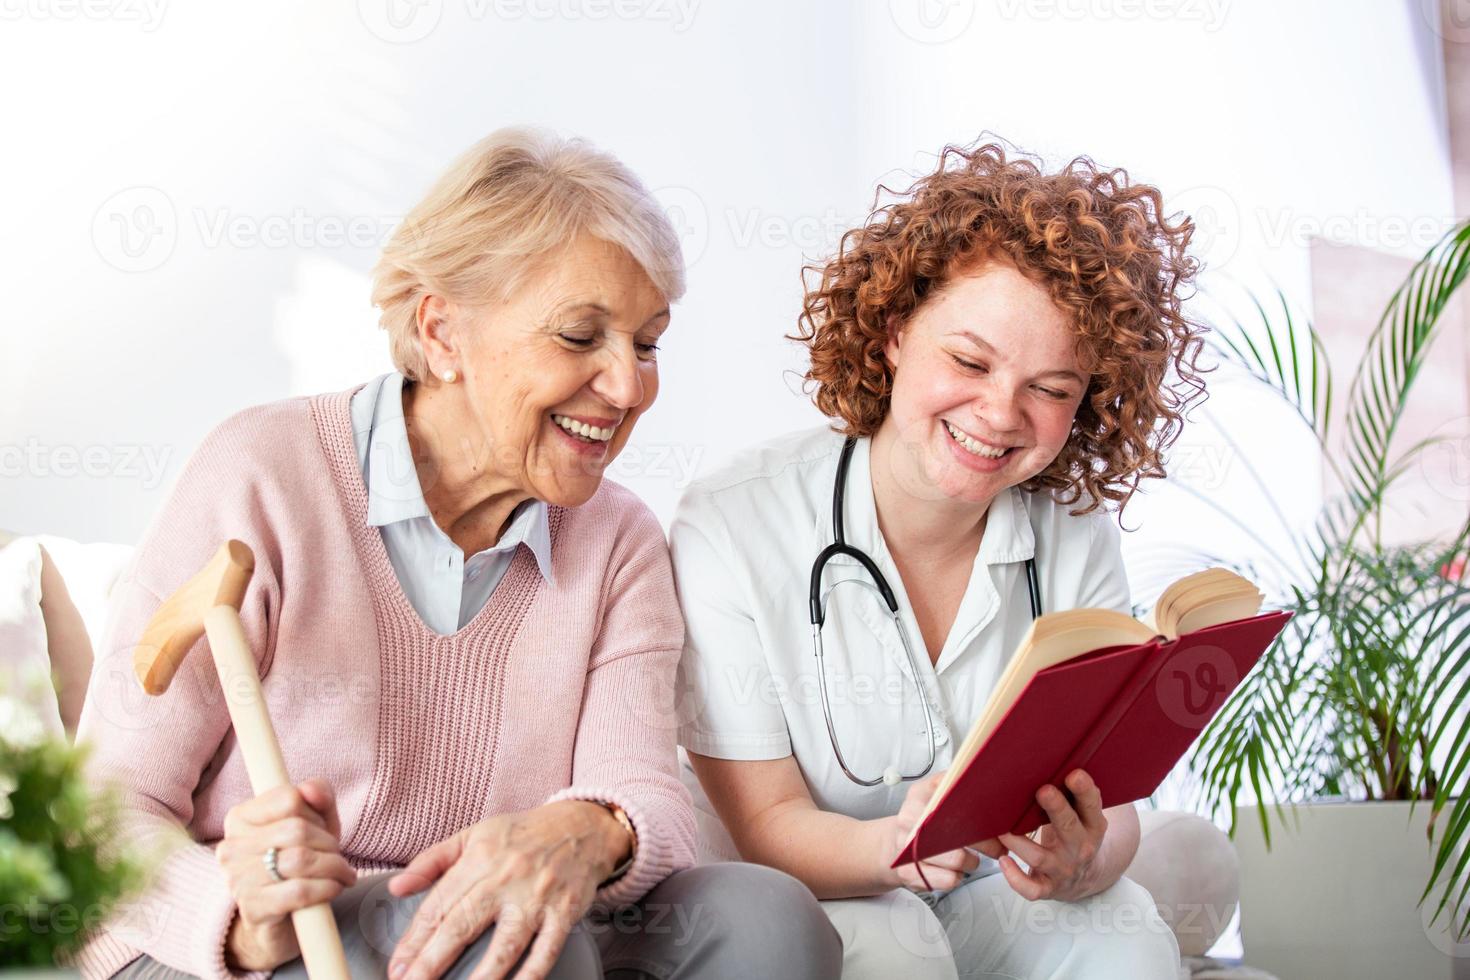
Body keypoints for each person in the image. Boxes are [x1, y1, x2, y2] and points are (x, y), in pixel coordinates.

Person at [73, 127, 841, 980]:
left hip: (489, 922)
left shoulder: (619, 541)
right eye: (582, 336)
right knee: (512, 952)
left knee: (769, 921)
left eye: (648, 342)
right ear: (442, 333)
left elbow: (643, 795)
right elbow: (101, 814)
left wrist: (589, 826)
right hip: (254, 944)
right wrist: (244, 922)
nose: (629, 388)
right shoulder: (261, 474)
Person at [671, 139, 1206, 979]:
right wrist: (896, 847)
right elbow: (766, 821)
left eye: (1053, 389)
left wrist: (1082, 861)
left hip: (985, 892)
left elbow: (1117, 803)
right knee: (898, 947)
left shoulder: (1072, 531)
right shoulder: (735, 524)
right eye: (969, 361)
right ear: (892, 334)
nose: (1000, 414)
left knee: (1123, 929)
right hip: (802, 891)